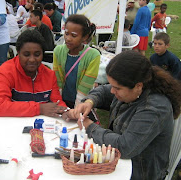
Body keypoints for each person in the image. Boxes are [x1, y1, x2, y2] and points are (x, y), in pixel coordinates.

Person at [67, 50, 181, 179]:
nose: (112, 90)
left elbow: (125, 147)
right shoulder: (132, 88)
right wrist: (89, 101)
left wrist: (89, 126)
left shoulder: (154, 108)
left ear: (138, 86)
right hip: (118, 163)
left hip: (139, 172)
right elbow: (104, 91)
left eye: (117, 88)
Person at [0, 29, 67, 117]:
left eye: (37, 54)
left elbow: (57, 102)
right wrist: (39, 109)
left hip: (41, 127)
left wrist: (66, 112)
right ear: (18, 53)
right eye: (26, 54)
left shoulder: (49, 75)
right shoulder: (5, 72)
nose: (32, 59)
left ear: (43, 54)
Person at [53, 14, 100, 108]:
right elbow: (57, 78)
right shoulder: (58, 51)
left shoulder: (93, 55)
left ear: (85, 37)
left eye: (74, 35)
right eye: (66, 33)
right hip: (62, 100)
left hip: (82, 102)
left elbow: (86, 85)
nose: (68, 38)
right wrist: (59, 103)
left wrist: (77, 109)